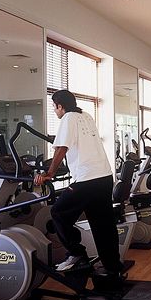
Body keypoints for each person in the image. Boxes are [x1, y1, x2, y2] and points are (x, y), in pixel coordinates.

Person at [34, 90, 124, 280]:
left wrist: (49, 173)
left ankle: (76, 253)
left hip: (87, 179)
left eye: (54, 107)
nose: (55, 111)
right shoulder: (86, 116)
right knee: (103, 225)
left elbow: (62, 148)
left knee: (58, 212)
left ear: (60, 106)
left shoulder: (68, 118)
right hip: (104, 177)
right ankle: (113, 267)